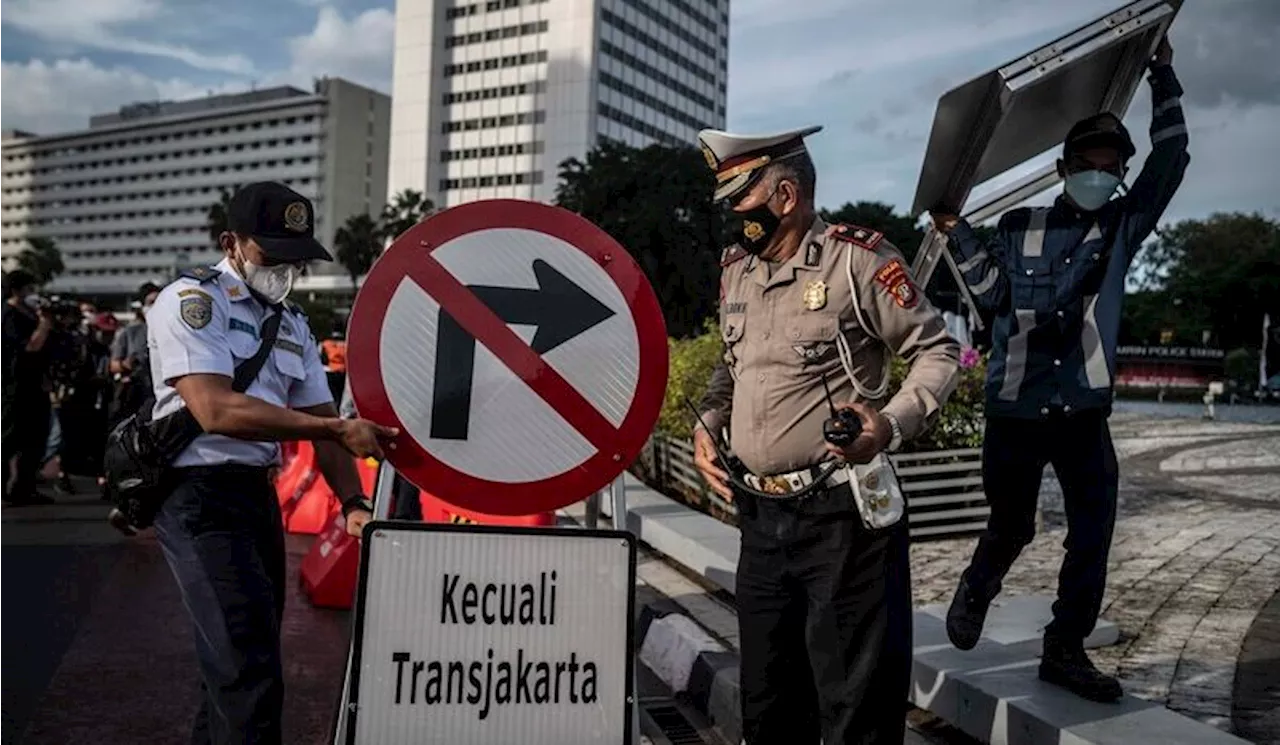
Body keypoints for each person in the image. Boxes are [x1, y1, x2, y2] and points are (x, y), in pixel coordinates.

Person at [929, 36, 1189, 703]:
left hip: (1083, 411)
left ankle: (1065, 648)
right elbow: (987, 296)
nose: (1101, 172)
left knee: (1093, 529)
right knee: (1012, 522)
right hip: (1015, 409)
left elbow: (1171, 159)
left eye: (1112, 164)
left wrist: (1163, 74)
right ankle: (976, 586)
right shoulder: (1020, 226)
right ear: (1065, 165)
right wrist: (956, 230)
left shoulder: (1124, 225)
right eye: (1090, 161)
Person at [692, 125, 960, 744]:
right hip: (760, 516)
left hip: (842, 518)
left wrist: (889, 423)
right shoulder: (737, 271)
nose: (733, 217)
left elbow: (938, 351)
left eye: (740, 199)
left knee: (853, 708)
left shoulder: (857, 260)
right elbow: (730, 369)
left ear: (785, 196)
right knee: (767, 701)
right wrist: (710, 424)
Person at [145, 181, 398, 744]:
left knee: (242, 662)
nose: (287, 271)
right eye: (274, 256)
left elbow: (324, 422)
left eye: (297, 260)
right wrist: (332, 428)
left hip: (255, 497)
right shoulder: (193, 302)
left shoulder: (293, 324)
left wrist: (353, 502)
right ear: (230, 243)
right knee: (246, 666)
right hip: (196, 495)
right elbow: (215, 408)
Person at [0, 269, 56, 506]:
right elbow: (30, 347)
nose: (33, 293)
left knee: (36, 438)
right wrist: (44, 324)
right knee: (8, 438)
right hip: (13, 386)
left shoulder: (30, 313)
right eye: (29, 288)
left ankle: (25, 487)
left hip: (35, 385)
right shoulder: (8, 314)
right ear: (17, 290)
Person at [110, 282, 160, 424]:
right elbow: (113, 365)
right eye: (151, 302)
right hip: (136, 395)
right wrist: (126, 364)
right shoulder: (130, 332)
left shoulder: (172, 332)